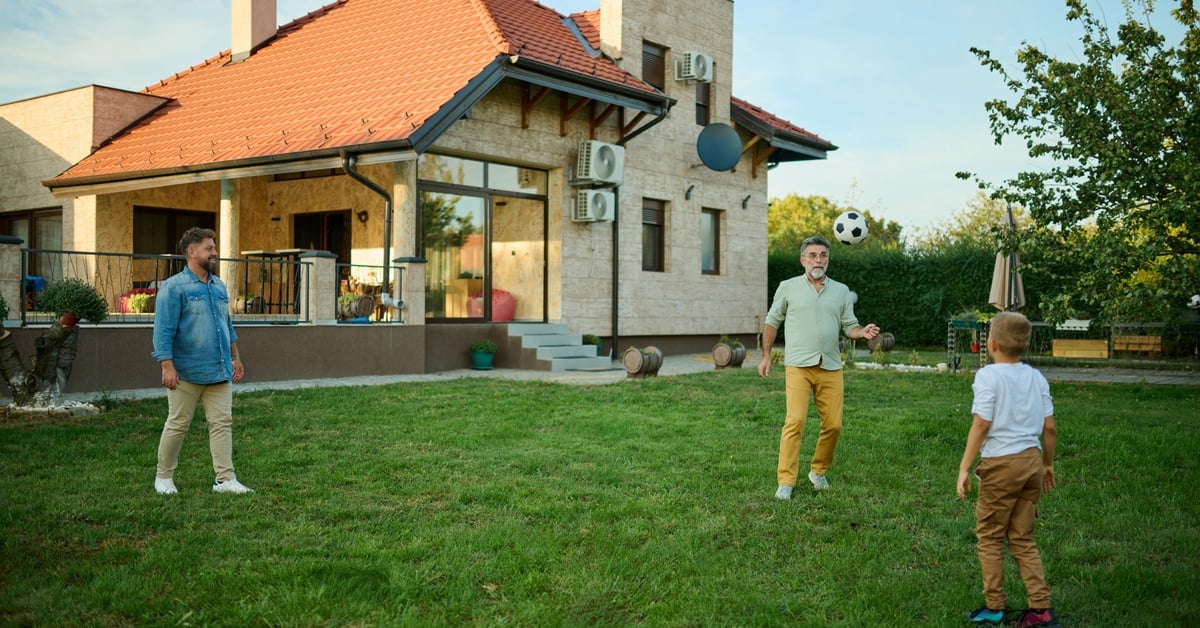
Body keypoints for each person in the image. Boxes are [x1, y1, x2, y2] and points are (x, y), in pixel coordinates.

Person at [757, 235, 879, 499]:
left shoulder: (841, 291)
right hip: (798, 365)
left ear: (828, 259)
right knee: (795, 421)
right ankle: (786, 482)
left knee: (834, 425)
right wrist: (766, 355)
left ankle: (818, 471)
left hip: (831, 366)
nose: (818, 260)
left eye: (822, 255)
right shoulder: (788, 287)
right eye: (812, 255)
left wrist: (862, 332)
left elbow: (849, 325)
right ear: (803, 260)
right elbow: (771, 321)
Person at [957, 311, 1058, 627]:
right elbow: (1050, 427)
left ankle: (995, 606)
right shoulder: (1036, 377)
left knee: (989, 536)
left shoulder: (988, 377)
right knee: (1022, 538)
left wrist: (964, 467)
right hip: (1031, 462)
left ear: (993, 343)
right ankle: (1040, 609)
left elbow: (982, 423)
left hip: (1001, 466)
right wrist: (1047, 465)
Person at [152, 227, 253, 495]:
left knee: (222, 423)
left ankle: (224, 479)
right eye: (209, 248)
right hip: (185, 371)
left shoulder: (218, 286)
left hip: (219, 369)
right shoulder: (174, 288)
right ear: (191, 251)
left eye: (214, 247)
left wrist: (236, 356)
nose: (215, 252)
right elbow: (163, 330)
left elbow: (226, 324)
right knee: (178, 424)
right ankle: (163, 477)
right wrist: (167, 365)